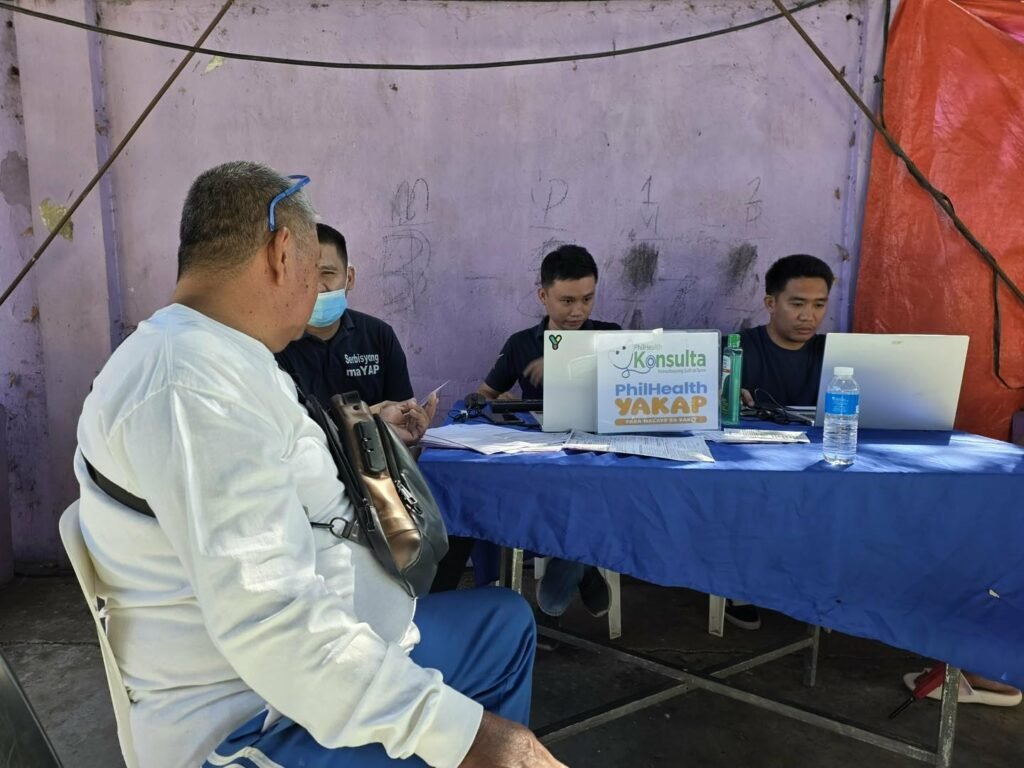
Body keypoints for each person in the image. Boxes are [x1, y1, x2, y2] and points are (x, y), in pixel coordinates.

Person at [74, 161, 566, 768]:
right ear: (282, 252)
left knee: (505, 623)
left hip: (333, 658)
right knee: (491, 732)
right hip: (260, 715)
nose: (316, 292)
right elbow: (274, 624)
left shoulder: (218, 357)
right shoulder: (190, 388)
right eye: (315, 270)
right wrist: (468, 736)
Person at [478, 245, 620, 619]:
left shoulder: (611, 337)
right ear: (543, 296)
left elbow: (630, 385)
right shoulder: (521, 344)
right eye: (567, 300)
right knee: (538, 495)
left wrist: (567, 363)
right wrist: (501, 401)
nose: (578, 311)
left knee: (602, 489)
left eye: (587, 299)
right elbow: (482, 395)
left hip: (598, 456)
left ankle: (571, 562)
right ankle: (581, 564)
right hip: (542, 459)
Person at [276, 222, 436, 445]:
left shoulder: (379, 336)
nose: (317, 287)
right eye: (304, 274)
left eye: (327, 273)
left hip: (375, 462)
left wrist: (409, 425)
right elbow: (282, 433)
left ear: (349, 278)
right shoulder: (274, 343)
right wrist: (365, 419)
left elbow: (401, 416)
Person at [739, 253, 833, 411]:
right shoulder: (733, 351)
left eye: (818, 305)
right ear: (771, 304)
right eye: (797, 304)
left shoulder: (835, 354)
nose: (808, 317)